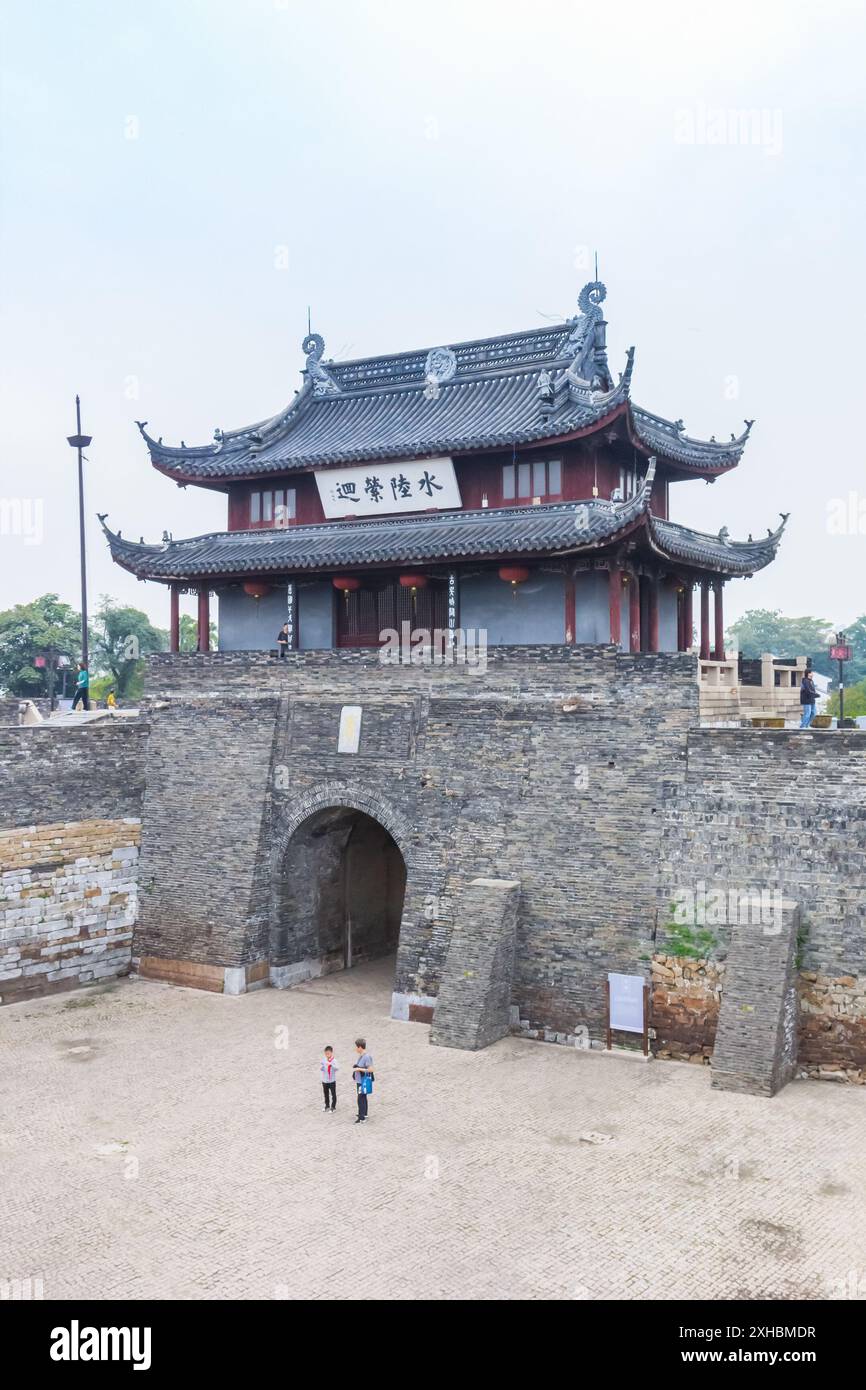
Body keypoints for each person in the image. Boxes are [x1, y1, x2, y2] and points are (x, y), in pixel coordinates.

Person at [352, 1037, 374, 1124]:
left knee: (360, 1098)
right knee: (363, 1097)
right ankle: (364, 1114)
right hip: (359, 1080)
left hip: (362, 1081)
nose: (356, 1048)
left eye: (356, 1047)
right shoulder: (361, 1056)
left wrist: (359, 1069)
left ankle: (361, 1118)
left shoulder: (366, 1057)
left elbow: (371, 1069)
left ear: (360, 1047)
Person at [320, 1045, 339, 1112]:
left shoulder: (334, 1060)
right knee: (326, 1094)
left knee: (333, 1094)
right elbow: (322, 1068)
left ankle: (333, 1107)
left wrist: (331, 1065)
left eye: (328, 1053)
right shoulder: (324, 1059)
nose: (327, 1055)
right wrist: (322, 1067)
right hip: (325, 1080)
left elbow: (337, 1068)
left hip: (332, 1080)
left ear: (331, 1053)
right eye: (326, 1054)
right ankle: (327, 1105)